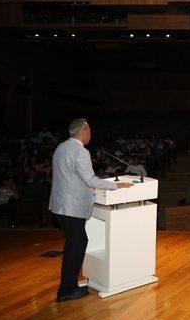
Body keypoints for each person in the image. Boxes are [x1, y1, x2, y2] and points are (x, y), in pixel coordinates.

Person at [50, 118, 133, 302]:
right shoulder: (81, 151)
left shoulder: (61, 147)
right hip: (72, 206)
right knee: (76, 244)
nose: (90, 135)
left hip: (60, 205)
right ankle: (66, 289)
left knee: (74, 243)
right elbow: (90, 180)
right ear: (84, 132)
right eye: (89, 131)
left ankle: (68, 285)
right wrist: (116, 186)